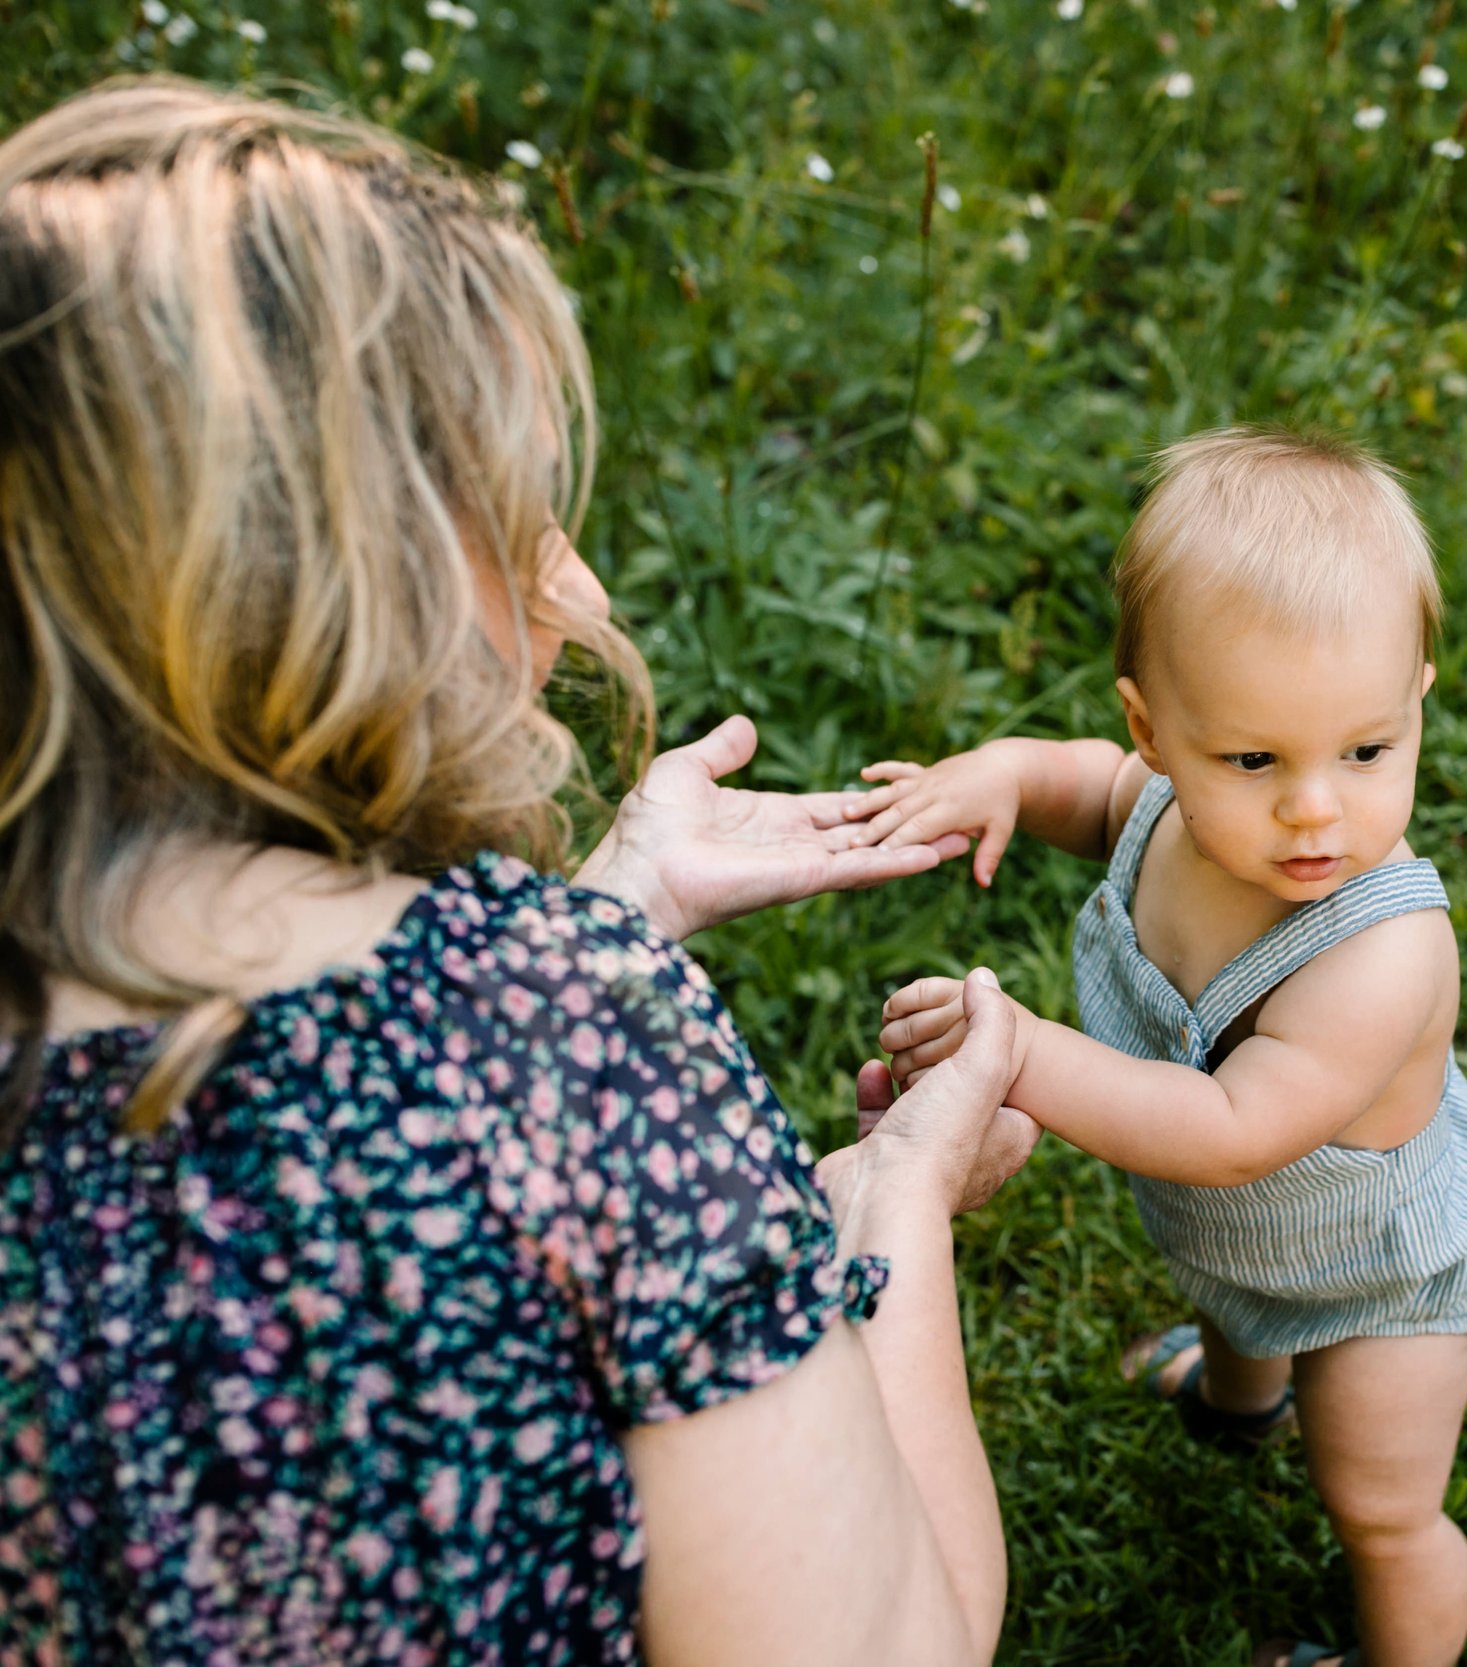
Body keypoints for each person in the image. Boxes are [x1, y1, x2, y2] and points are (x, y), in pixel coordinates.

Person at [0, 79, 1036, 1665]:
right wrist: (888, 1210)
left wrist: (619, 901)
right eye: (513, 518)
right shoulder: (571, 1046)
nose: (580, 587)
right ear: (332, 581)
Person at [845, 428, 1467, 1667]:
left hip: (1378, 1278)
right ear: (1155, 731)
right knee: (1237, 1302)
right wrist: (1001, 772)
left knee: (1378, 1501)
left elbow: (1228, 1133)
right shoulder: (1162, 809)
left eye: (1365, 751)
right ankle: (1234, 1399)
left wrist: (1019, 1050)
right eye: (1253, 757)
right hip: (1249, 1241)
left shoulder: (1381, 952)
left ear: (1417, 699)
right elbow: (1089, 790)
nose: (1314, 806)